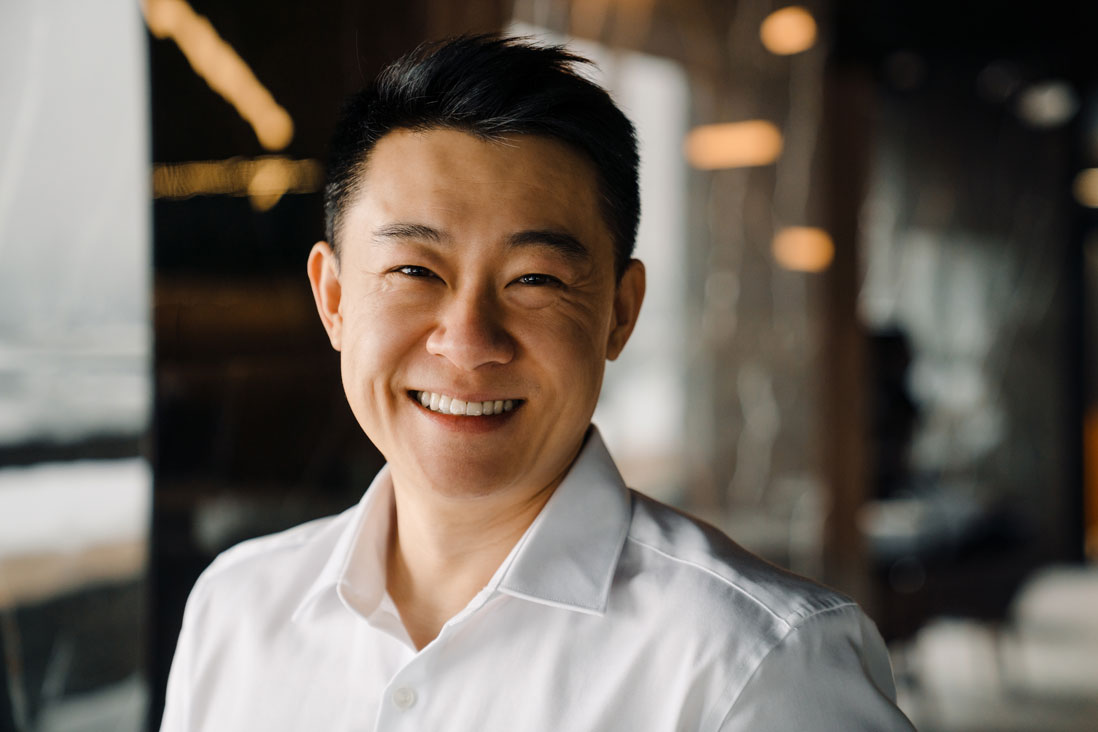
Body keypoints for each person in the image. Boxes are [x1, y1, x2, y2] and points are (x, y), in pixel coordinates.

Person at [160, 34, 915, 731]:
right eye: (414, 271)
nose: (468, 342)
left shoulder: (754, 664)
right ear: (334, 300)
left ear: (620, 314)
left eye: (534, 279)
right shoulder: (238, 609)